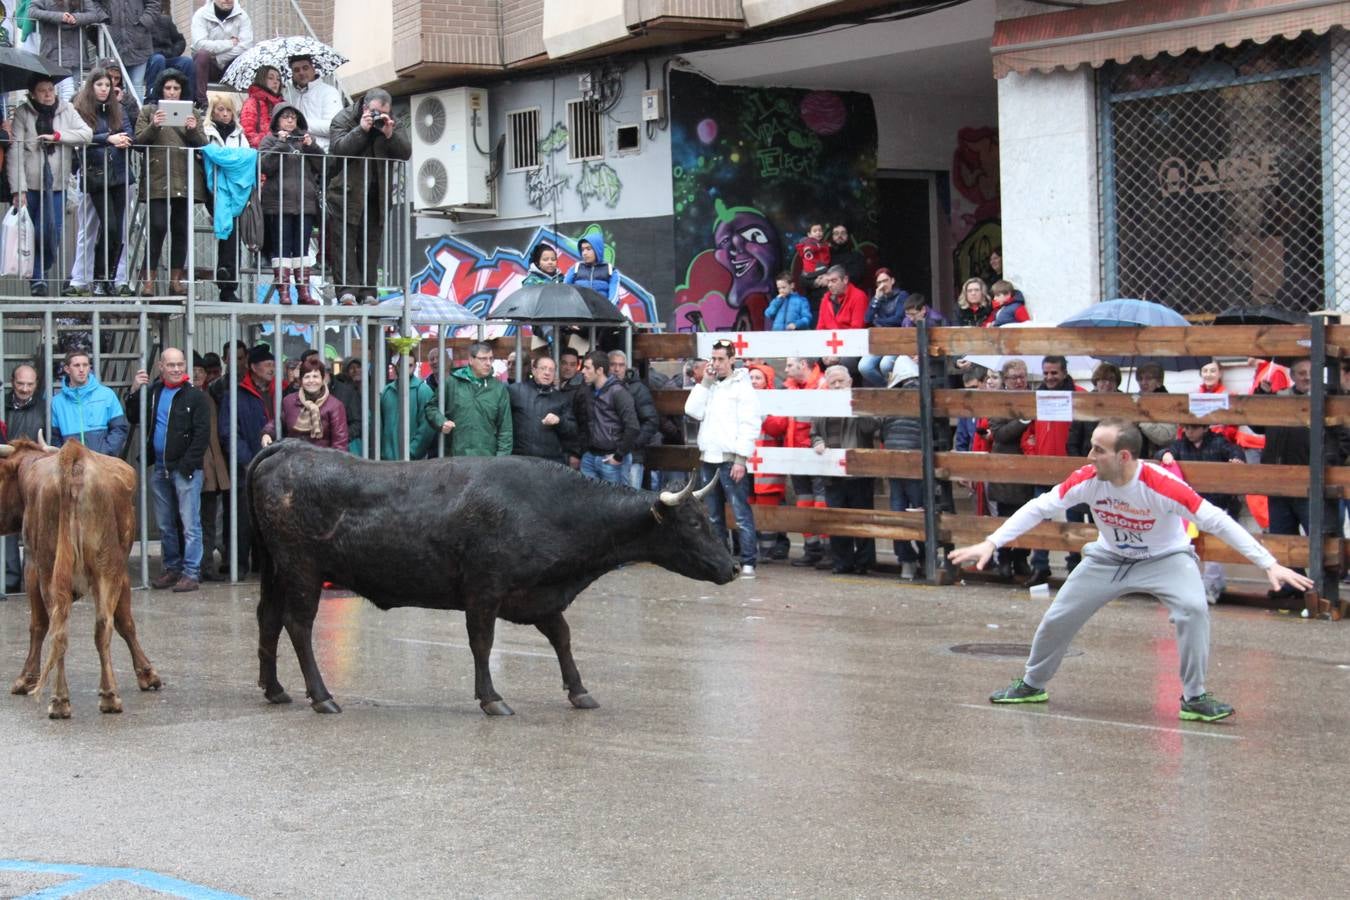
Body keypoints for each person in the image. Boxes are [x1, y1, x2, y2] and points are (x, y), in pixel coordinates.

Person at [948, 417, 1313, 722]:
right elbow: (1039, 508)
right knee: (1059, 616)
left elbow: (1217, 521)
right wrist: (992, 542)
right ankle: (1031, 684)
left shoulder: (1162, 485)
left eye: (1098, 450)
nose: (1090, 456)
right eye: (1090, 446)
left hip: (1166, 560)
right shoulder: (1087, 478)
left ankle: (1195, 698)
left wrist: (1269, 564)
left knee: (1193, 609)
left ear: (1124, 456)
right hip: (1107, 559)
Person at [1253, 358, 1350, 601]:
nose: (1306, 377)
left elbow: (1343, 436)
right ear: (1293, 376)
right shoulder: (1279, 397)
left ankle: (1323, 589)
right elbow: (1256, 425)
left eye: (1310, 372)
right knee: (1283, 536)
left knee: (1319, 536)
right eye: (1301, 373)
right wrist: (1260, 396)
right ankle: (1292, 585)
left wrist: (1329, 462)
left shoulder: (1328, 399)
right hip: (1279, 482)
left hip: (1311, 483)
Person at [128, 347, 210, 592]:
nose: (176, 369)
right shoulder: (154, 392)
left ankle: (191, 573)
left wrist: (186, 467)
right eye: (170, 365)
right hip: (161, 468)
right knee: (165, 524)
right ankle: (172, 569)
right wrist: (134, 390)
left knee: (190, 524)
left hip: (186, 471)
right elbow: (134, 416)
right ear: (160, 367)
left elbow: (202, 435)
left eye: (179, 364)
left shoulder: (196, 397)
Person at [7, 74, 92, 296]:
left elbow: (87, 134)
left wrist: (57, 136)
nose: (47, 94)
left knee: (50, 232)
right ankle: (38, 278)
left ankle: (40, 271)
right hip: (31, 183)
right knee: (32, 231)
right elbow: (15, 151)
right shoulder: (24, 113)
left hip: (57, 183)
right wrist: (18, 189)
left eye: (50, 90)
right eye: (42, 90)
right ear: (33, 94)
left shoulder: (66, 110)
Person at [326, 88, 411, 305]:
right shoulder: (344, 118)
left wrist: (390, 134)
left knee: (371, 243)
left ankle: (368, 292)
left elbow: (405, 152)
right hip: (346, 191)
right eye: (375, 112)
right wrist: (361, 130)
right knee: (344, 241)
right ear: (365, 107)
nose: (379, 117)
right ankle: (346, 291)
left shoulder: (391, 121)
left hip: (377, 193)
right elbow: (339, 149)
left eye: (384, 113)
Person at [685, 338, 761, 579]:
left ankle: (748, 560)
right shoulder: (711, 386)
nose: (716, 364)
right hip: (709, 457)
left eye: (720, 359)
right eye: (713, 359)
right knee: (714, 514)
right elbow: (692, 411)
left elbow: (750, 424)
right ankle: (722, 559)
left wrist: (741, 458)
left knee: (740, 512)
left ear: (731, 360)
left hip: (730, 458)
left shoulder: (742, 387)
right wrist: (705, 383)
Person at [134, 68, 206, 296]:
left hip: (185, 176)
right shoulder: (148, 110)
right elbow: (138, 142)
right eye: (168, 88)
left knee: (181, 229)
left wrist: (193, 130)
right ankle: (148, 280)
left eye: (176, 88)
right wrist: (154, 125)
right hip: (158, 175)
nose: (173, 92)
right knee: (157, 226)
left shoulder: (192, 112)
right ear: (160, 89)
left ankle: (176, 281)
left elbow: (203, 144)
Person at [1157, 423, 1245, 603]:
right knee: (1189, 545)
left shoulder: (1218, 443)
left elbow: (1235, 450)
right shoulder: (1181, 445)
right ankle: (1194, 585)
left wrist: (1236, 459)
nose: (1189, 432)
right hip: (1191, 506)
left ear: (1205, 429)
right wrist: (1164, 454)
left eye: (1194, 429)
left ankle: (1212, 585)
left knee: (1215, 547)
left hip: (1217, 503)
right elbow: (1164, 451)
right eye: (1187, 428)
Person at [71, 67, 134, 298]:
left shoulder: (118, 110)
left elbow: (129, 133)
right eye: (100, 85)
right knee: (107, 226)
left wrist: (124, 139)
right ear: (91, 86)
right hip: (95, 174)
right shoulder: (82, 109)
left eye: (107, 85)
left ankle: (109, 278)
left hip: (118, 173)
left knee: (117, 232)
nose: (104, 89)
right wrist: (108, 138)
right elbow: (81, 135)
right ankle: (98, 278)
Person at [811, 364, 877, 575]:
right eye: (833, 383)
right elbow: (814, 433)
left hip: (858, 471)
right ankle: (842, 562)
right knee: (837, 519)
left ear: (850, 382)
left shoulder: (860, 400)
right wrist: (818, 442)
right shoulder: (821, 406)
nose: (837, 385)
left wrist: (855, 406)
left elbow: (871, 427)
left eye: (841, 381)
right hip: (832, 472)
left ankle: (864, 563)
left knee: (862, 518)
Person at [1022, 355, 1082, 587]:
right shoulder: (1037, 397)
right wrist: (1031, 451)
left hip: (1070, 467)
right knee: (1040, 517)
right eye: (1046, 373)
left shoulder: (1079, 395)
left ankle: (1074, 566)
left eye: (1054, 373)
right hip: (1042, 466)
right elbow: (1027, 432)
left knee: (1074, 518)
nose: (1049, 377)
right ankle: (1040, 565)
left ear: (1064, 372)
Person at [258, 102, 325, 305]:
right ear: (277, 120)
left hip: (304, 204)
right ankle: (284, 292)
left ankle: (304, 292)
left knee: (302, 250)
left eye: (293, 117)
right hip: (278, 204)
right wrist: (280, 144)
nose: (289, 120)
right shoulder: (269, 140)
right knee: (281, 248)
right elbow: (264, 166)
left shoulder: (304, 141)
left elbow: (324, 164)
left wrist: (311, 146)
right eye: (285, 116)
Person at [217, 344, 274, 571]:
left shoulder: (279, 392)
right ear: (253, 367)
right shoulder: (236, 395)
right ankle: (237, 567)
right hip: (245, 469)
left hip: (275, 470)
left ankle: (265, 568)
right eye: (267, 365)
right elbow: (228, 432)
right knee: (241, 521)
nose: (272, 369)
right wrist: (248, 461)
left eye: (273, 364)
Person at [986, 359, 1033, 580]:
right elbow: (999, 433)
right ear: (1005, 380)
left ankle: (1022, 559)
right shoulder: (999, 401)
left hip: (1029, 466)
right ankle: (1004, 561)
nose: (1019, 381)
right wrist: (1023, 421)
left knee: (1028, 518)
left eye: (1022, 376)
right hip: (1006, 467)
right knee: (1005, 517)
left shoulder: (1032, 397)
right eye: (1014, 377)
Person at [2, 364, 45, 593]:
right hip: (7, 476)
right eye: (21, 383)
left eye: (30, 384)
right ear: (12, 382)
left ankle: (33, 580)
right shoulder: (2, 405)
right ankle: (9, 579)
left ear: (36, 384)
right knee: (8, 526)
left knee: (34, 527)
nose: (25, 389)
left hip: (35, 475)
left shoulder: (44, 407)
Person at [432, 342, 512, 458]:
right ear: (471, 360)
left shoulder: (498, 389)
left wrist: (501, 461)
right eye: (483, 359)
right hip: (456, 457)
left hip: (487, 458)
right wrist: (441, 421)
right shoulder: (452, 382)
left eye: (491, 358)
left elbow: (505, 430)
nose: (488, 363)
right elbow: (431, 407)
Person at [202, 90, 246, 301]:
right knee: (226, 228)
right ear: (213, 111)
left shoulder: (240, 134)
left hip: (232, 189)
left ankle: (227, 279)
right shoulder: (206, 132)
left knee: (232, 232)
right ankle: (225, 277)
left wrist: (222, 158)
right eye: (221, 109)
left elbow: (244, 158)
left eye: (229, 110)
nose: (225, 114)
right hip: (211, 187)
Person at [745, 362, 790, 561]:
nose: (753, 382)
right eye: (751, 378)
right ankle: (753, 550)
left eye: (757, 378)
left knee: (768, 510)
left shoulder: (776, 400)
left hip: (768, 466)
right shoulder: (741, 399)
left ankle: (769, 551)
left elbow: (779, 427)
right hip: (744, 463)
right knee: (748, 507)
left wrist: (763, 416)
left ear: (767, 381)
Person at [193, 352, 230, 580]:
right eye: (193, 371)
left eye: (200, 371)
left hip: (212, 468)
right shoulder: (183, 397)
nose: (196, 375)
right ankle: (193, 566)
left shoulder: (211, 395)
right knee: (190, 522)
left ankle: (205, 565)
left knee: (207, 520)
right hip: (196, 467)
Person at [576, 350, 639, 485]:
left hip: (612, 458)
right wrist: (584, 450)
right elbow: (582, 421)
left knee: (618, 503)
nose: (582, 371)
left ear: (599, 370)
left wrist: (618, 456)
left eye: (587, 368)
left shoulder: (619, 392)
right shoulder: (588, 391)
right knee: (588, 502)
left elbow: (632, 427)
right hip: (590, 456)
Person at [50, 348, 128, 455]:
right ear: (67, 369)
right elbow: (55, 438)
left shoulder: (107, 395)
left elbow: (119, 429)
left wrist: (106, 453)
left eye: (85, 365)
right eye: (77, 365)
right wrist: (65, 459)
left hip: (101, 464)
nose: (81, 369)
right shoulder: (57, 402)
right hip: (72, 466)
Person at [261, 356, 348, 450]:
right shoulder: (289, 401)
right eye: (307, 377)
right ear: (300, 381)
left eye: (315, 376)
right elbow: (277, 422)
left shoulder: (335, 405)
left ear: (323, 379)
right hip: (293, 457)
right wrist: (267, 433)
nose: (311, 381)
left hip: (323, 460)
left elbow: (340, 443)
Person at [29, 0, 105, 100]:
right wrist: (60, 17)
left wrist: (76, 18)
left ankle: (67, 114)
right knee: (67, 92)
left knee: (76, 92)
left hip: (77, 53)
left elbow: (94, 15)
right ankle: (65, 115)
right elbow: (32, 12)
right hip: (53, 51)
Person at [506, 354, 576, 463]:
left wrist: (559, 421)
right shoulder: (515, 391)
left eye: (551, 370)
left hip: (550, 461)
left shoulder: (561, 398)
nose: (547, 373)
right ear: (534, 370)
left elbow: (572, 430)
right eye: (543, 368)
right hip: (520, 459)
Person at [608, 350, 658, 490]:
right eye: (613, 364)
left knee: (630, 501)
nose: (617, 369)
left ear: (627, 367)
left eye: (621, 365)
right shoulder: (600, 388)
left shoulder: (638, 389)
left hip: (632, 456)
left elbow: (651, 421)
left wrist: (632, 443)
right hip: (607, 453)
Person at [189, 0, 252, 108]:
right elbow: (199, 44)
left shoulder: (243, 16)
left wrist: (218, 57)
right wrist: (229, 43)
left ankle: (246, 106)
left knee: (247, 59)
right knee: (202, 55)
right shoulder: (201, 15)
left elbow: (245, 46)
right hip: (208, 67)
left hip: (231, 66)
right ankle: (201, 103)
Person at [378, 360, 439, 460]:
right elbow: (380, 425)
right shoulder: (387, 391)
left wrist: (412, 452)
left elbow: (427, 427)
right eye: (402, 365)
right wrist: (383, 452)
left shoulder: (423, 390)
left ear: (415, 366)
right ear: (396, 366)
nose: (406, 369)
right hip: (388, 460)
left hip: (413, 461)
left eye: (410, 365)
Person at [285, 54, 342, 151]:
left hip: (323, 153)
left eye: (305, 68)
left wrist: (300, 124)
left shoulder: (329, 92)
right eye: (296, 70)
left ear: (313, 69)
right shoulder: (294, 98)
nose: (301, 72)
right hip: (301, 154)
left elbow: (334, 126)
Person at [97, 0, 157, 91]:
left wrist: (143, 23)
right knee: (111, 85)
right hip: (112, 42)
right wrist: (104, 17)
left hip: (139, 42)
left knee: (136, 86)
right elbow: (92, 3)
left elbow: (154, 4)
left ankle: (136, 105)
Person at [143, 11, 193, 103]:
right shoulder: (140, 22)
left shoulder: (165, 20)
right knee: (158, 59)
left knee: (187, 62)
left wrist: (173, 52)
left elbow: (180, 41)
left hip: (169, 57)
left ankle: (189, 100)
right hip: (148, 60)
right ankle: (153, 98)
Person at [1133, 363, 1177, 459]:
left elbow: (1166, 436)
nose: (1143, 382)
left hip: (1159, 457)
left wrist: (1141, 421)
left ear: (1159, 382)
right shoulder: (1135, 400)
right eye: (1140, 378)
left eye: (1148, 378)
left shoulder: (1168, 403)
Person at [563, 235, 619, 301]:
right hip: (579, 310)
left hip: (601, 310)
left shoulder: (611, 270)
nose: (584, 253)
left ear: (598, 249)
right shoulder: (576, 268)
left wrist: (606, 310)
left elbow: (613, 298)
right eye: (582, 250)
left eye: (588, 249)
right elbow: (564, 291)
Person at [239, 64, 283, 149]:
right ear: (262, 79)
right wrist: (272, 141)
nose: (276, 82)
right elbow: (248, 134)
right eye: (270, 78)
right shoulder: (252, 103)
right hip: (261, 153)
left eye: (278, 79)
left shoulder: (282, 104)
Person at [816, 264, 868, 331]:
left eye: (834, 281)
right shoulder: (825, 299)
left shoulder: (859, 297)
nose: (829, 285)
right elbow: (820, 328)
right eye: (828, 281)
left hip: (851, 340)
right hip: (828, 340)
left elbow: (857, 329)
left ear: (845, 280)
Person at [791, 222, 829, 293]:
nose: (818, 233)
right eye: (815, 231)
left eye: (820, 230)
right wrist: (809, 249)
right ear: (809, 234)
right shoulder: (809, 242)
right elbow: (808, 248)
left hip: (823, 272)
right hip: (811, 274)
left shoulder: (824, 244)